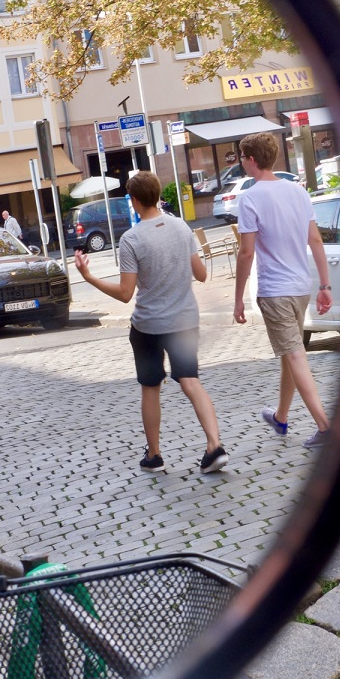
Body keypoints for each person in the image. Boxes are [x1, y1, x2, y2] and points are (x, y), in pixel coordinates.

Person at [74, 171, 227, 474]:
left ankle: (154, 456)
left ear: (133, 201)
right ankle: (215, 446)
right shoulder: (181, 227)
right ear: (157, 195)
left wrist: (89, 277)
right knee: (191, 380)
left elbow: (125, 293)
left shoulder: (131, 239)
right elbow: (201, 274)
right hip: (185, 320)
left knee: (150, 387)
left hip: (148, 326)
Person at [232, 131, 332, 448]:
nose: (242, 164)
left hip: (275, 290)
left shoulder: (249, 198)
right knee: (290, 354)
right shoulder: (298, 192)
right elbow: (315, 240)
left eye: (241, 159)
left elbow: (246, 253)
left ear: (251, 160)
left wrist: (238, 299)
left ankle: (326, 428)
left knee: (295, 355)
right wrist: (324, 285)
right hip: (301, 288)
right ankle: (281, 417)